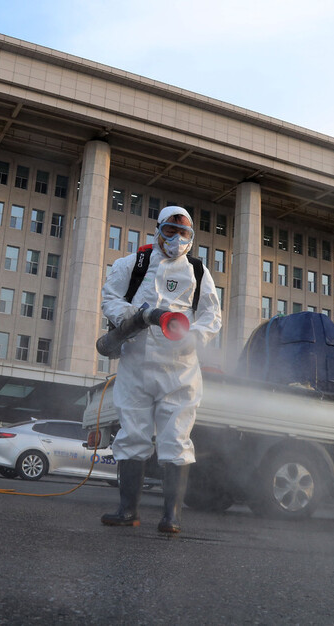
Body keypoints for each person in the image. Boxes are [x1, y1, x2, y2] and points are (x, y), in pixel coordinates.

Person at [100, 206, 222, 533]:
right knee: (132, 436)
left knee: (176, 440)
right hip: (136, 363)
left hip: (179, 371)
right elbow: (109, 299)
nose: (177, 239)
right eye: (171, 230)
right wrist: (136, 316)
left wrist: (193, 338)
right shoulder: (132, 264)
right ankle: (128, 511)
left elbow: (212, 316)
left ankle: (171, 517)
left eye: (185, 234)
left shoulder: (197, 271)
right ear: (157, 230)